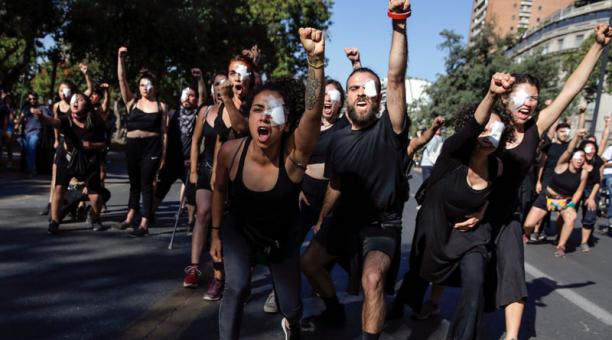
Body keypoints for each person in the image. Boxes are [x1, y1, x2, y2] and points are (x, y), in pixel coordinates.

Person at [485, 23, 611, 340]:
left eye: (534, 98)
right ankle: (429, 300)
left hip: (509, 215)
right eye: (522, 97)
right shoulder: (490, 123)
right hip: (477, 209)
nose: (528, 103)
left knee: (513, 272)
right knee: (464, 272)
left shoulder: (536, 129)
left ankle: (512, 337)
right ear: (506, 98)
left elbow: (570, 90)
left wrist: (596, 46)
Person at [301, 2, 410, 338]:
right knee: (309, 264)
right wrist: (321, 219)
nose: (361, 92)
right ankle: (334, 312)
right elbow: (335, 183)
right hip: (345, 220)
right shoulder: (337, 140)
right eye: (354, 88)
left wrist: (399, 24)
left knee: (372, 279)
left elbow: (395, 77)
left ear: (377, 97)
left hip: (381, 224)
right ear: (347, 98)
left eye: (367, 88)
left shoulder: (390, 129)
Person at [210, 27, 325, 340]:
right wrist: (216, 234)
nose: (263, 117)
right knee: (237, 287)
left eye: (272, 112)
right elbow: (219, 190)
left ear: (285, 122)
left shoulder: (294, 156)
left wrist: (316, 62)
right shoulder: (231, 152)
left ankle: (293, 323)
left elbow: (313, 115)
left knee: (291, 306)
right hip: (239, 233)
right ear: (249, 118)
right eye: (257, 110)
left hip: (281, 240)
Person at [32, 92, 109, 234]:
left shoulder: (96, 121)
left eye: (80, 100)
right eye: (74, 99)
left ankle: (95, 217)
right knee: (59, 189)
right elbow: (54, 122)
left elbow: (104, 145)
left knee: (96, 196)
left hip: (88, 161)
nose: (76, 101)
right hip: (66, 159)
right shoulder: (66, 120)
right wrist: (42, 117)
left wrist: (91, 145)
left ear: (87, 104)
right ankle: (54, 221)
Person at [116, 46, 169, 236]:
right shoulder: (132, 102)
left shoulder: (161, 106)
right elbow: (122, 80)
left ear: (154, 86)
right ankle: (130, 216)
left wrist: (163, 154)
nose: (144, 88)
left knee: (147, 183)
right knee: (134, 183)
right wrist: (120, 58)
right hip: (133, 147)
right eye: (141, 85)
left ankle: (144, 222)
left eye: (148, 85)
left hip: (151, 148)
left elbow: (164, 132)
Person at [184, 72, 228, 301]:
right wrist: (193, 171)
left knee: (221, 221)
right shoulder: (204, 111)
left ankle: (220, 272)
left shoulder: (234, 111)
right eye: (217, 85)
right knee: (202, 213)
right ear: (212, 89)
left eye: (224, 84)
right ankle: (193, 267)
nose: (220, 88)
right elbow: (196, 140)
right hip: (206, 167)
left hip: (228, 173)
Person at [524, 129, 588, 257]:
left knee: (571, 218)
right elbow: (569, 151)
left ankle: (561, 245)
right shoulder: (562, 164)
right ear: (571, 159)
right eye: (577, 157)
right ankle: (526, 234)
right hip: (547, 197)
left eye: (583, 158)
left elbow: (579, 191)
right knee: (528, 224)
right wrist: (577, 137)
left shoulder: (583, 173)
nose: (580, 160)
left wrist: (571, 205)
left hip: (563, 201)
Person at [530, 119, 573, 241]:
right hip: (547, 181)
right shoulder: (549, 147)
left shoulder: (569, 148)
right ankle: (536, 231)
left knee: (560, 210)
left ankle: (559, 235)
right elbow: (542, 165)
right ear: (556, 132)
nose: (564, 134)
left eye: (567, 132)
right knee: (542, 207)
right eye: (562, 131)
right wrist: (538, 181)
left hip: (561, 184)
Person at [577, 136, 604, 252]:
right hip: (576, 189)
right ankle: (561, 237)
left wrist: (592, 197)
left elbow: (598, 181)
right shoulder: (577, 160)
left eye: (593, 148)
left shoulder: (597, 161)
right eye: (588, 148)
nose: (591, 151)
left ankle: (584, 242)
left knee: (590, 214)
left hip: (591, 189)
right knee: (568, 211)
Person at [16, 93, 51, 176]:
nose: (32, 100)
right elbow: (20, 120)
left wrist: (39, 114)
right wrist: (17, 124)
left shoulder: (42, 108)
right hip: (25, 133)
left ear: (37, 99)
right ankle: (32, 168)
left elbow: (48, 119)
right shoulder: (25, 108)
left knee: (31, 150)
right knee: (28, 152)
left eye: (34, 98)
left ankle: (30, 170)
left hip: (36, 133)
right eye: (30, 99)